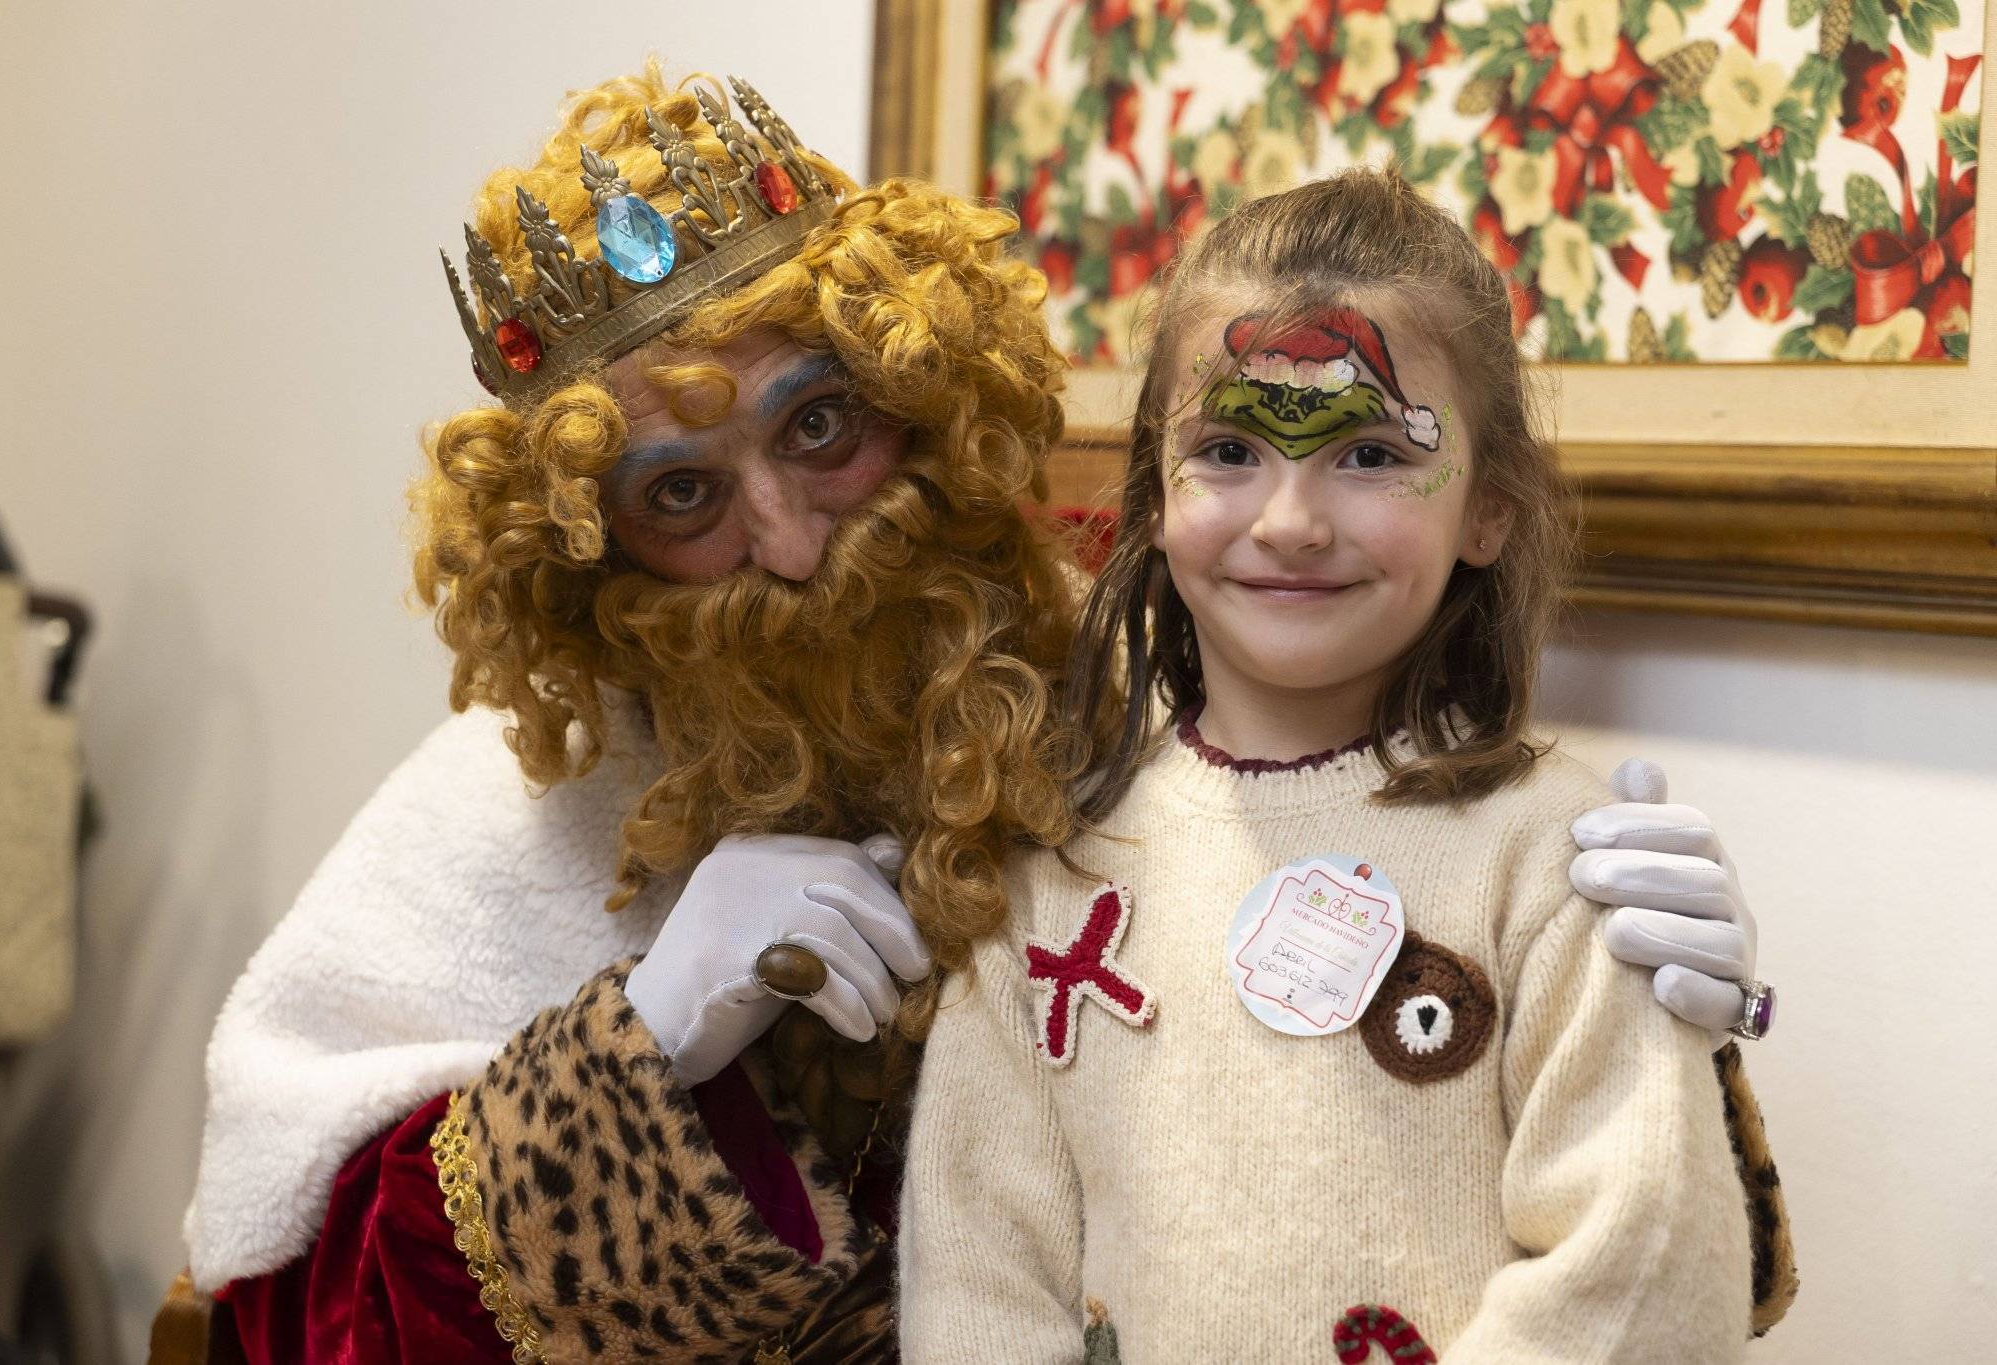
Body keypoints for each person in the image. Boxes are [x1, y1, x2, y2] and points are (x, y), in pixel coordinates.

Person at [180, 69, 1779, 1363]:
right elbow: (297, 1320)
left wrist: (1669, 1002)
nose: (789, 541)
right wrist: (646, 1045)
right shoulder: (525, 794)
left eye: (821, 426)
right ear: (590, 555)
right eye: (681, 495)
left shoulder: (1136, 672)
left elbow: (1607, 1228)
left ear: (918, 395)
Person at [898, 166, 1791, 1362]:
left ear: (1488, 508)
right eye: (1227, 449)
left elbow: (1645, 1276)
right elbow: (976, 1289)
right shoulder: (1046, 865)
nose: (1288, 522)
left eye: (1367, 456)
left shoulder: (1555, 869)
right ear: (1151, 498)